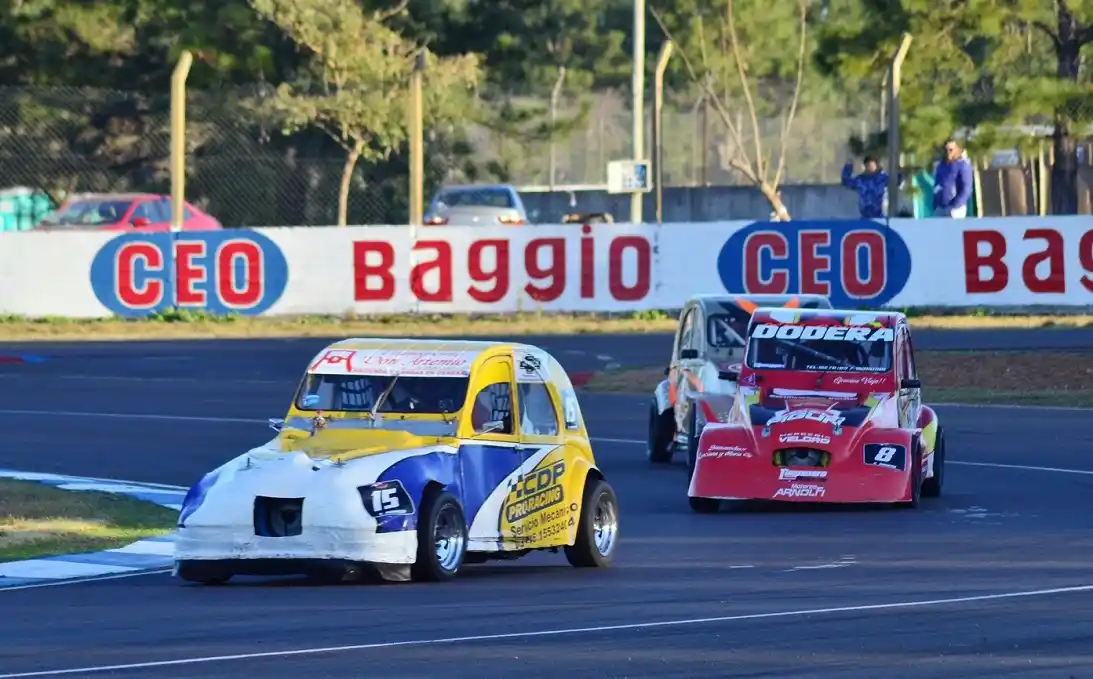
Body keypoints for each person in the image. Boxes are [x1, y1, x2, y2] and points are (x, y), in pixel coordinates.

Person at [932, 140, 973, 218]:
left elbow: (966, 189)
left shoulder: (962, 166)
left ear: (957, 150)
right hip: (940, 209)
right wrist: (935, 204)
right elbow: (937, 185)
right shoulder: (941, 166)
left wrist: (954, 206)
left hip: (955, 210)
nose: (948, 152)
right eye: (946, 150)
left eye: (951, 150)